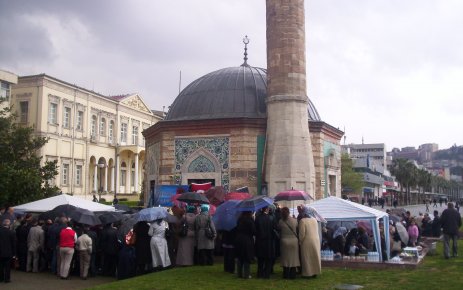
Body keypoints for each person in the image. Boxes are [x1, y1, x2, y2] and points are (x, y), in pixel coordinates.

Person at [298, 207, 321, 279]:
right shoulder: (314, 220)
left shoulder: (303, 221)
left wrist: (300, 241)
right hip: (316, 240)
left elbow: (302, 234)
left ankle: (307, 273)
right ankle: (315, 272)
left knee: (307, 257)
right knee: (314, 256)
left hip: (307, 241)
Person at [277, 207, 299, 279]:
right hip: (294, 241)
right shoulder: (295, 220)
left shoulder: (280, 221)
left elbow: (279, 229)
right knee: (293, 259)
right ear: (289, 212)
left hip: (284, 241)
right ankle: (293, 275)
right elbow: (297, 228)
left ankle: (286, 274)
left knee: (285, 259)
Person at [234, 211, 255, 279]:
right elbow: (253, 231)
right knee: (247, 257)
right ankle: (246, 274)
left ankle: (239, 274)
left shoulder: (239, 219)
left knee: (240, 257)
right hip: (247, 240)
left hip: (238, 239)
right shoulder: (250, 220)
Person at [0, 219, 16, 283]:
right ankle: (7, 279)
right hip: (8, 252)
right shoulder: (12, 232)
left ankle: (1, 278)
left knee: (0, 265)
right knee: (7, 267)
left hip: (0, 251)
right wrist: (14, 254)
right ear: (9, 224)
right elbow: (14, 244)